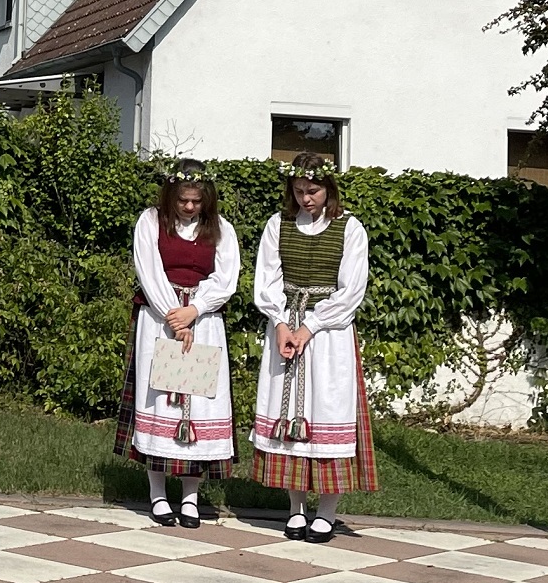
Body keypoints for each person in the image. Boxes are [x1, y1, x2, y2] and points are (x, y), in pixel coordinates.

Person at [250, 158, 375, 543]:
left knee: (327, 409)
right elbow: (267, 279)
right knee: (288, 413)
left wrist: (311, 326)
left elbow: (351, 289)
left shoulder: (349, 228)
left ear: (329, 190)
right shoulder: (278, 225)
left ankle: (327, 511)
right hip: (286, 326)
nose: (306, 198)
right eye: (299, 191)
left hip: (328, 333)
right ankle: (295, 508)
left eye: (314, 191)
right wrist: (282, 324)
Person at [117, 162, 241, 528]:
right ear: (171, 196)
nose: (189, 208)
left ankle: (190, 497)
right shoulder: (150, 221)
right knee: (160, 402)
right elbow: (149, 268)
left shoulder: (221, 229)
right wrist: (174, 315)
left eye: (196, 202)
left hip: (203, 322)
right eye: (183, 201)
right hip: (159, 320)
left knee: (200, 405)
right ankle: (157, 495)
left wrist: (195, 310)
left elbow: (226, 276)